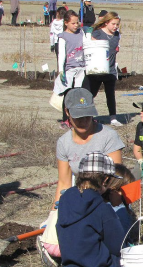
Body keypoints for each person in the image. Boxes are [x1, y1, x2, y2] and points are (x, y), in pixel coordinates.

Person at [49, 87, 124, 236]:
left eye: (87, 116)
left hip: (107, 199)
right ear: (68, 113)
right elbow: (64, 183)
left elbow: (116, 182)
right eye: (78, 117)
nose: (83, 121)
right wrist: (52, 216)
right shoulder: (64, 143)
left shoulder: (108, 136)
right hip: (82, 199)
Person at [37, 163, 136, 267]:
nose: (124, 198)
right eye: (123, 192)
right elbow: (115, 246)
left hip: (51, 242)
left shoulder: (76, 194)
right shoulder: (100, 206)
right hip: (66, 247)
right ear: (112, 188)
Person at [56, 151, 126, 267]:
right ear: (105, 180)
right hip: (98, 265)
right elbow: (118, 245)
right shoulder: (102, 208)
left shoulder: (65, 199)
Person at [86, 11, 122, 126]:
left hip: (110, 70)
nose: (115, 27)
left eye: (117, 24)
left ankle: (113, 118)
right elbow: (91, 49)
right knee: (92, 94)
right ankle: (88, 116)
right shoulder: (97, 33)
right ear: (106, 23)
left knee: (110, 94)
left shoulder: (116, 35)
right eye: (113, 24)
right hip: (97, 70)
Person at [54, 10, 86, 124]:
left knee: (78, 93)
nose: (76, 25)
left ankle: (77, 118)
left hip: (81, 68)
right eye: (73, 23)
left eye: (77, 22)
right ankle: (66, 119)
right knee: (68, 93)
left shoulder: (81, 33)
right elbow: (61, 55)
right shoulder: (63, 37)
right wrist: (61, 71)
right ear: (66, 23)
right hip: (69, 69)